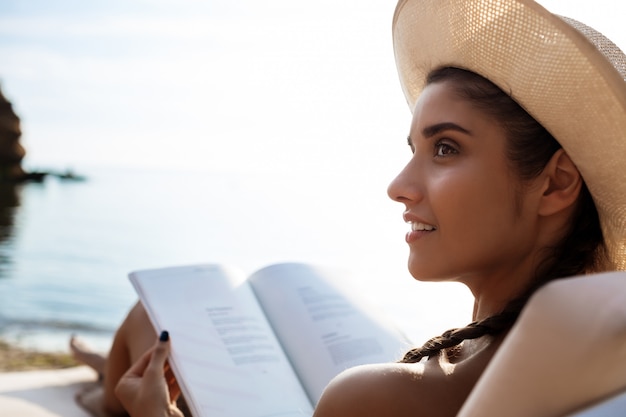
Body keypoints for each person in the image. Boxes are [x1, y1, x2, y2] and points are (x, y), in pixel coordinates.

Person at [81, 0, 626, 415]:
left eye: (445, 148)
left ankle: (100, 394)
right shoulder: (591, 351)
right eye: (413, 150)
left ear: (555, 184)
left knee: (151, 323)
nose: (399, 186)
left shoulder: (375, 398)